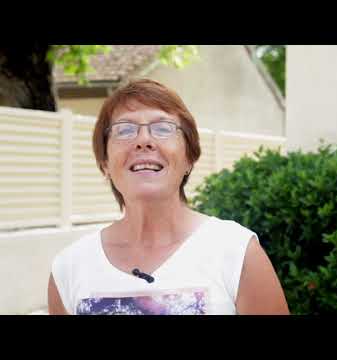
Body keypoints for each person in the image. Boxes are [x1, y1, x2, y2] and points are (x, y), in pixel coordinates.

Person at [48, 79, 290, 315]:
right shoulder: (69, 268)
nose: (143, 141)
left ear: (189, 158)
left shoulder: (236, 252)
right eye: (125, 130)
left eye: (163, 128)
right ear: (105, 164)